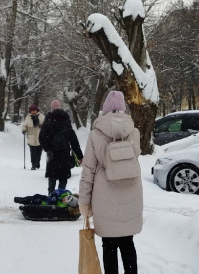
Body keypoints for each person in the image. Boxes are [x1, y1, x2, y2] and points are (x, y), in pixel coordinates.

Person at [78, 91, 142, 274]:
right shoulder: (134, 132)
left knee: (109, 244)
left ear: (105, 108)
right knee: (128, 242)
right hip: (131, 192)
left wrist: (84, 201)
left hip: (105, 196)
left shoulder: (95, 134)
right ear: (122, 108)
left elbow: (88, 170)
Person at [39, 100, 83, 194]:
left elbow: (41, 138)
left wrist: (48, 149)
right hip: (64, 154)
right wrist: (80, 156)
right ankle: (61, 197)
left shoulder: (48, 122)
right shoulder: (66, 121)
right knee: (63, 179)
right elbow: (74, 141)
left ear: (51, 109)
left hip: (52, 155)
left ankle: (51, 198)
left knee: (52, 178)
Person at [22, 104, 45, 170]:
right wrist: (24, 130)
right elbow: (25, 125)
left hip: (40, 138)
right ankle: (33, 165)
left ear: (37, 110)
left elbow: (46, 125)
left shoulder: (42, 117)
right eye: (32, 111)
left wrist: (42, 126)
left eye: (34, 110)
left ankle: (37, 163)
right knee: (32, 153)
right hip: (31, 138)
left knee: (39, 153)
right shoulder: (28, 117)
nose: (33, 112)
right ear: (30, 111)